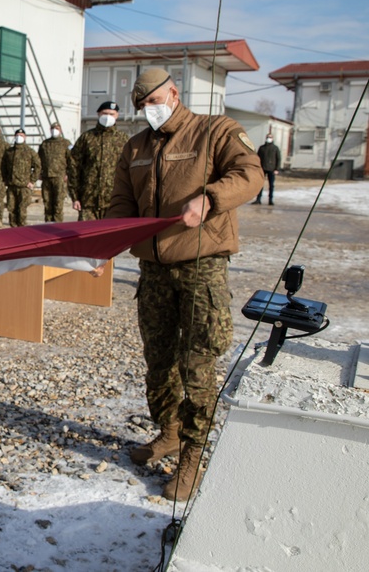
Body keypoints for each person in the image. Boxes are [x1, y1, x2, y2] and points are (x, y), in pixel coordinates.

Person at [106, 68, 263, 501]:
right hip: (153, 271)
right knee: (158, 360)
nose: (148, 111)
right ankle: (169, 431)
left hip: (201, 267)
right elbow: (121, 204)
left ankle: (193, 454)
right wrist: (104, 243)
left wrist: (211, 197)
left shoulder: (215, 131)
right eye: (141, 106)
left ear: (173, 93)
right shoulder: (134, 147)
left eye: (153, 101)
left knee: (197, 365)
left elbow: (251, 173)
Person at [70, 101, 128, 220]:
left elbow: (129, 170)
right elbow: (74, 166)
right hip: (88, 200)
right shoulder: (87, 138)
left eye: (111, 114)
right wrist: (75, 196)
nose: (108, 117)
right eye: (105, 113)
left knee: (112, 237)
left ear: (117, 115)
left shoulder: (123, 139)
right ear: (98, 114)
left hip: (114, 200)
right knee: (86, 235)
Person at [2, 129, 38, 227]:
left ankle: (22, 232)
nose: (19, 137)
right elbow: (3, 166)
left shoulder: (29, 151)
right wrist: (5, 179)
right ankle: (13, 231)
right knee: (11, 209)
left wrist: (32, 181)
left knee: (22, 210)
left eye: (21, 135)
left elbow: (37, 166)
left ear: (25, 137)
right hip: (12, 186)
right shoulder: (9, 152)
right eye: (17, 135)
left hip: (24, 186)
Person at [37, 123, 72, 222]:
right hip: (46, 177)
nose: (54, 130)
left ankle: (57, 224)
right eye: (53, 128)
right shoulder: (45, 144)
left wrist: (68, 174)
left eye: (57, 128)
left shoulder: (66, 143)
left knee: (58, 203)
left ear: (60, 130)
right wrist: (39, 172)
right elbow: (38, 160)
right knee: (47, 202)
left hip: (60, 177)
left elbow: (71, 160)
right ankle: (48, 224)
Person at [254, 135, 281, 206]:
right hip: (262, 169)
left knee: (271, 185)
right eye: (268, 137)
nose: (269, 138)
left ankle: (270, 200)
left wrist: (276, 169)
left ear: (272, 139)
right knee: (260, 185)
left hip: (271, 169)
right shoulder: (262, 148)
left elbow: (278, 159)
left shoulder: (275, 148)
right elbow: (257, 158)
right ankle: (258, 199)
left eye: (270, 137)